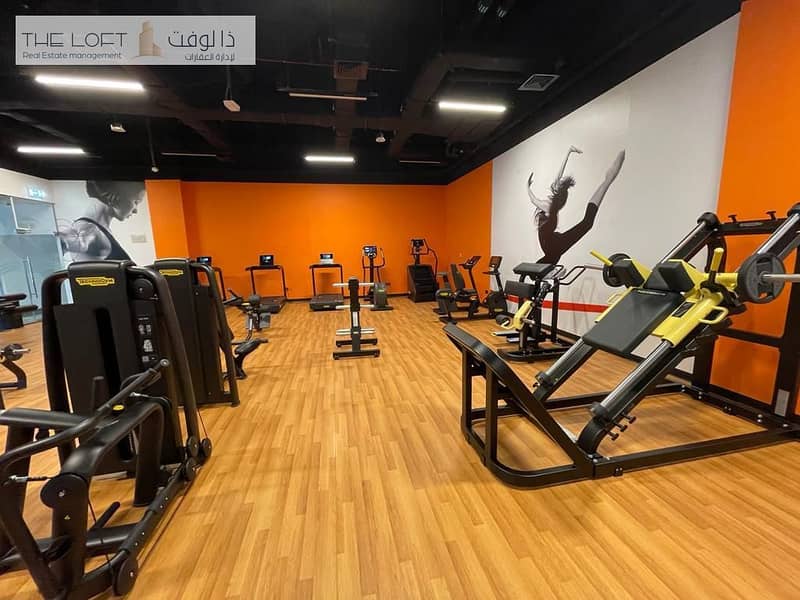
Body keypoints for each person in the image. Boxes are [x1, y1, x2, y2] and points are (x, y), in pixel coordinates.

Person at [528, 146, 625, 265]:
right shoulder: (553, 206)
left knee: (587, 222)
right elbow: (558, 176)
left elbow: (533, 199)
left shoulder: (546, 206)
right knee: (587, 222)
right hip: (553, 247)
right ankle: (608, 180)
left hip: (553, 248)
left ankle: (608, 180)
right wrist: (568, 152)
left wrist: (527, 187)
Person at [57, 180, 145, 262]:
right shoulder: (89, 230)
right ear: (114, 197)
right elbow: (67, 239)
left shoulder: (100, 229)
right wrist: (63, 241)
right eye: (136, 202)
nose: (136, 211)